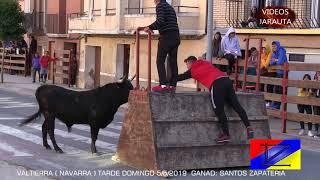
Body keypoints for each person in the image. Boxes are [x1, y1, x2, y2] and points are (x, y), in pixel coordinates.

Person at [177, 56, 254, 143]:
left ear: (191, 62)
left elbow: (180, 77)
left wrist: (166, 80)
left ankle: (226, 134)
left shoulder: (193, 70)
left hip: (216, 83)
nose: (187, 67)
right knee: (236, 105)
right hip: (226, 80)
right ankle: (248, 127)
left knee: (219, 110)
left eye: (187, 64)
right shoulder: (205, 62)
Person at [143, 0, 180, 92]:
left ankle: (163, 85)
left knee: (160, 61)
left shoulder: (160, 6)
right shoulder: (170, 7)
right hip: (176, 36)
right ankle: (172, 85)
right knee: (173, 62)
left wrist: (149, 27)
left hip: (166, 37)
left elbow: (160, 21)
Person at [269, 41, 288, 109]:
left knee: (280, 90)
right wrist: (276, 60)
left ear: (278, 45)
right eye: (273, 46)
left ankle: (278, 106)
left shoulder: (281, 51)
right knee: (276, 89)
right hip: (278, 73)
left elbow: (280, 62)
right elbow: (270, 62)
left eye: (275, 46)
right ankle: (276, 105)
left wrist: (275, 60)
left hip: (283, 73)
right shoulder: (274, 52)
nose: (273, 47)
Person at [313, 71, 320, 138]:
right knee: (316, 116)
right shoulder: (314, 82)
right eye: (317, 75)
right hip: (315, 101)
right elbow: (312, 91)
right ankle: (316, 131)